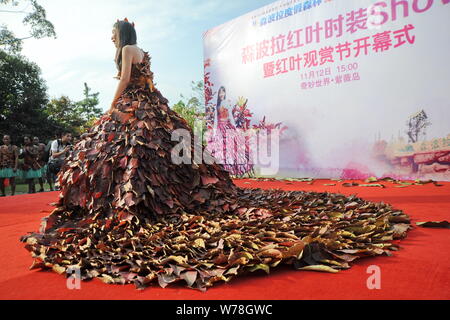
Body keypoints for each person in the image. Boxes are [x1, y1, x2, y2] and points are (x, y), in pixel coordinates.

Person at [20, 19, 410, 291]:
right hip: (154, 106)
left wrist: (111, 107)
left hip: (134, 108)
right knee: (172, 153)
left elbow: (125, 80)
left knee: (130, 157)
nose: (110, 39)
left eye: (111, 34)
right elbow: (149, 81)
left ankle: (136, 206)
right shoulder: (144, 50)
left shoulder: (126, 50)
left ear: (120, 34)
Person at [206, 86, 253, 177]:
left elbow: (231, 117)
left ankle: (232, 170)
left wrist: (235, 128)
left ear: (225, 93)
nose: (222, 94)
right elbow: (215, 120)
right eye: (220, 92)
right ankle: (223, 170)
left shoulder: (227, 103)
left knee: (231, 149)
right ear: (218, 94)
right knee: (220, 149)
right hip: (220, 128)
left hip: (228, 127)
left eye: (223, 92)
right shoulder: (217, 105)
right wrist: (215, 132)